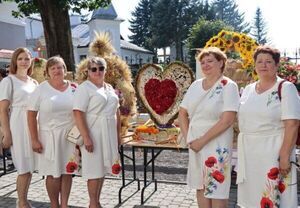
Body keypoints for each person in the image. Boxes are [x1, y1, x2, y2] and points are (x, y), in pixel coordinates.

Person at [237, 46, 300, 207]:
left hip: (274, 152)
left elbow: (292, 124)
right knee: (252, 198)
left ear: (276, 65)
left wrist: (284, 156)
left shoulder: (286, 88)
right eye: (259, 61)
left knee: (275, 197)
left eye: (268, 61)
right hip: (249, 153)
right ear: (255, 65)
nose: (263, 65)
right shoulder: (249, 89)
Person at [179, 47, 240, 208]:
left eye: (210, 61)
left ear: (221, 63)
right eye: (203, 62)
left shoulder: (229, 86)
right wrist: (188, 139)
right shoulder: (195, 85)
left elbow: (227, 120)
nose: (205, 65)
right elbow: (182, 113)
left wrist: (202, 141)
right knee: (200, 186)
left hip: (216, 141)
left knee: (216, 187)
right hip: (195, 143)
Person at [27, 56, 80, 208]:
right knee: (52, 173)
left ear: (65, 69)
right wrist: (34, 139)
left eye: (60, 67)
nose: (57, 70)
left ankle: (64, 204)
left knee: (67, 171)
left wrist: (78, 137)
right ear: (48, 72)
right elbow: (31, 115)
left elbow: (81, 113)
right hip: (48, 137)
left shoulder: (74, 88)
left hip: (70, 136)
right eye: (53, 68)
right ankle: (54, 204)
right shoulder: (41, 89)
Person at [73, 56, 121, 208]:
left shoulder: (109, 87)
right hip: (93, 133)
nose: (98, 71)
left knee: (102, 170)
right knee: (94, 170)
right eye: (94, 69)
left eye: (101, 68)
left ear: (105, 70)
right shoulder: (84, 88)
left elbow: (117, 111)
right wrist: (86, 137)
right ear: (88, 71)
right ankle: (93, 204)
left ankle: (97, 202)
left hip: (109, 133)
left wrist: (118, 135)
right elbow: (78, 113)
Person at [0, 47, 38, 208]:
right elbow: (2, 110)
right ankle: (21, 202)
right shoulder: (8, 81)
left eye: (27, 59)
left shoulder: (34, 82)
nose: (24, 62)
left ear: (31, 62)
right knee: (23, 167)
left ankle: (23, 200)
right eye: (21, 58)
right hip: (18, 125)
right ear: (15, 61)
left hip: (33, 125)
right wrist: (6, 133)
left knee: (29, 168)